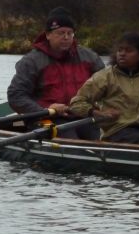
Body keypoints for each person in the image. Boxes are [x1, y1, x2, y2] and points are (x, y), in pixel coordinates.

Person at [7, 7, 105, 139]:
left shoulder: (89, 57)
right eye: (60, 33)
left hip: (84, 117)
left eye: (70, 33)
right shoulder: (31, 61)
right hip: (46, 118)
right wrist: (45, 110)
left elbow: (107, 87)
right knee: (70, 139)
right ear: (48, 35)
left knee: (98, 137)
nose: (66, 38)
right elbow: (16, 96)